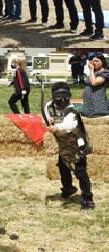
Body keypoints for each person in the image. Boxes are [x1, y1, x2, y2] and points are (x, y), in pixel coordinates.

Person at [45, 81, 95, 210]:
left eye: (65, 95)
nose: (62, 99)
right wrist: (48, 119)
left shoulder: (72, 111)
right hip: (64, 146)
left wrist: (57, 127)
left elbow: (69, 126)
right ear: (52, 97)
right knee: (63, 167)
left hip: (77, 145)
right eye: (58, 96)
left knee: (80, 172)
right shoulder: (49, 106)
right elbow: (45, 117)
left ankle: (88, 199)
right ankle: (68, 188)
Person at [82, 53, 109, 117]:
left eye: (97, 61)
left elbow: (94, 83)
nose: (94, 63)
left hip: (98, 103)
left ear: (103, 61)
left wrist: (91, 69)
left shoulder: (105, 73)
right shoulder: (94, 73)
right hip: (88, 103)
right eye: (93, 61)